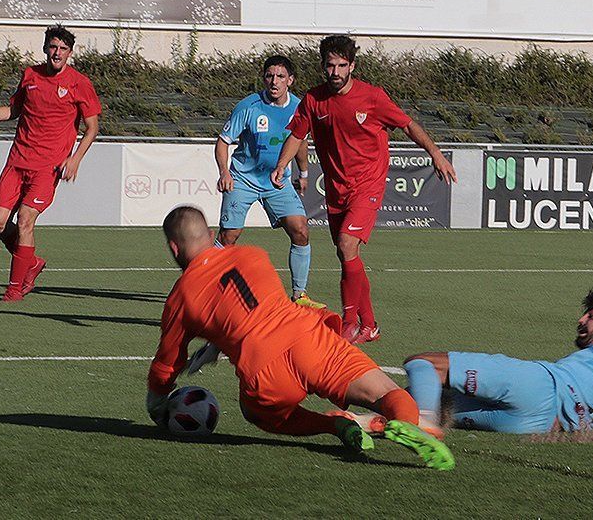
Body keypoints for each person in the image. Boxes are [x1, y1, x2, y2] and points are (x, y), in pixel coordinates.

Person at [146, 206, 455, 471]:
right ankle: (406, 423)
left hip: (266, 373)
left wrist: (157, 402)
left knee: (258, 413)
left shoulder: (180, 299)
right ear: (212, 233)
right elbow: (250, 305)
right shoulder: (253, 255)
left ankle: (333, 424)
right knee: (385, 393)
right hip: (310, 340)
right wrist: (217, 344)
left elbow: (167, 363)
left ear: (174, 248)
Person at [271, 35, 457, 344]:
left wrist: (436, 154)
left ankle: (349, 323)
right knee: (347, 256)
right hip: (336, 189)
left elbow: (408, 125)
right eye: (330, 66)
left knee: (347, 245)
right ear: (322, 67)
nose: (336, 72)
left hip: (367, 184)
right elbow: (296, 134)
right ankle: (369, 324)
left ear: (352, 66)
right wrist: (281, 165)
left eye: (342, 66)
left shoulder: (372, 97)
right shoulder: (313, 100)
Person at [402, 291, 593, 442]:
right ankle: (375, 419)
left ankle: (423, 427)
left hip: (540, 385)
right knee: (438, 406)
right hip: (534, 426)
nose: (582, 320)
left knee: (424, 363)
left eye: (592, 316)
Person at [0, 25, 101, 301]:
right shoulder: (30, 75)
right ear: (45, 48)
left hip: (47, 167)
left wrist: (75, 159)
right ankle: (31, 263)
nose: (57, 53)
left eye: (63, 49)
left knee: (26, 219)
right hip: (17, 161)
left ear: (70, 53)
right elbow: (14, 110)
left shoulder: (80, 83)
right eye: (53, 47)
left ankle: (15, 289)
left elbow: (91, 128)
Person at [215, 55, 323, 308]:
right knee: (229, 236)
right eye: (270, 76)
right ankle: (207, 285)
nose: (274, 82)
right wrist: (224, 172)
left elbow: (300, 141)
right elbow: (223, 142)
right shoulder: (248, 106)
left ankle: (299, 295)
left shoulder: (299, 107)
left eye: (280, 77)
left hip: (278, 182)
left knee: (300, 230)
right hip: (243, 178)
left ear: (291, 80)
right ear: (264, 78)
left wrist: (304, 173)